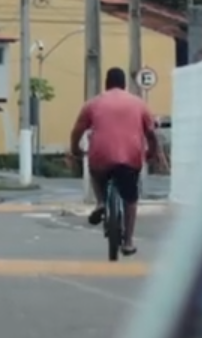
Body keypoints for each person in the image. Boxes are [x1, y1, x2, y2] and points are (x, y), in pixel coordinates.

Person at [67, 67, 168, 257]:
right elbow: (151, 134)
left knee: (95, 171)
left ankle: (100, 202)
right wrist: (151, 153)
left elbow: (77, 131)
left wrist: (75, 150)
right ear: (124, 84)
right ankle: (128, 242)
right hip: (131, 157)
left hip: (101, 155)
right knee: (130, 198)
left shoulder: (93, 104)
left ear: (106, 83)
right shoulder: (139, 104)